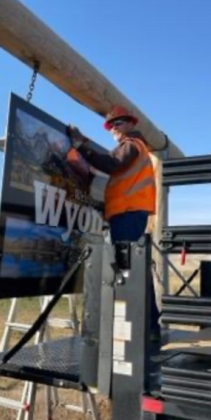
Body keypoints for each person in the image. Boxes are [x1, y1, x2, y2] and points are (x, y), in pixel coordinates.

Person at [67, 105, 161, 355]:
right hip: (127, 214)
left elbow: (111, 164)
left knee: (127, 271)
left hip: (129, 214)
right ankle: (150, 327)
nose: (114, 129)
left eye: (118, 123)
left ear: (130, 124)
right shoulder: (132, 148)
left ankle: (137, 329)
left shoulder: (131, 145)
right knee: (134, 270)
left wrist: (81, 145)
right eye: (111, 126)